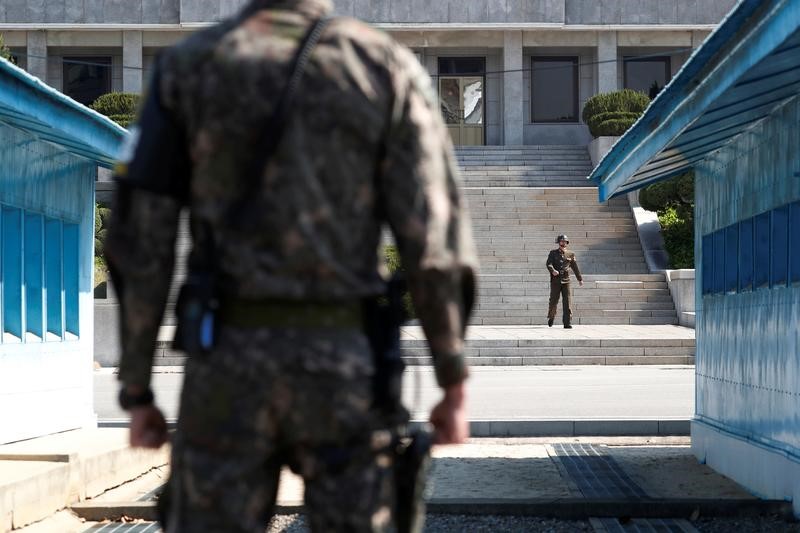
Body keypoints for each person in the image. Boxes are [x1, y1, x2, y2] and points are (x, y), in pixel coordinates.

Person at [104, 1, 478, 531]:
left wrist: (137, 388)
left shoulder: (191, 65)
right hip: (347, 369)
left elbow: (141, 239)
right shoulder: (382, 65)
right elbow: (433, 238)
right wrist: (452, 378)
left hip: (226, 364)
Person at [546, 234, 583, 328]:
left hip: (566, 280)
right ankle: (551, 316)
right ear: (558, 242)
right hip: (555, 281)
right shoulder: (553, 253)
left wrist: (579, 279)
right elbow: (548, 264)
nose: (563, 243)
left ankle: (567, 323)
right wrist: (552, 270)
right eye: (561, 241)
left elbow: (575, 267)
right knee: (553, 301)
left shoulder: (571, 254)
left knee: (567, 302)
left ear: (567, 243)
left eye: (565, 241)